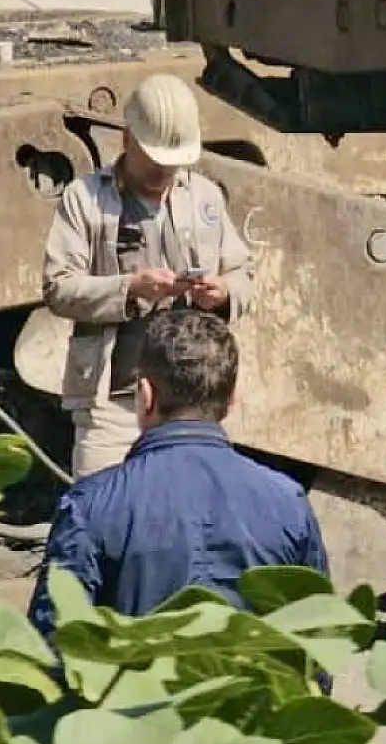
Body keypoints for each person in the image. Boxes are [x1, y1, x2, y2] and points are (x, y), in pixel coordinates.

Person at [26, 309, 328, 639]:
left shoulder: (90, 506)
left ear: (145, 395)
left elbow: (55, 642)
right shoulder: (288, 503)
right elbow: (319, 639)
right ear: (231, 400)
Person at [42, 73, 257, 478]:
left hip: (195, 404)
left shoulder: (205, 197)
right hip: (114, 403)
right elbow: (58, 287)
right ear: (127, 139)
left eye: (172, 162)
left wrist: (224, 293)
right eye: (154, 158)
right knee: (102, 504)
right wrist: (130, 289)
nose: (163, 170)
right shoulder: (85, 199)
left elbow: (243, 273)